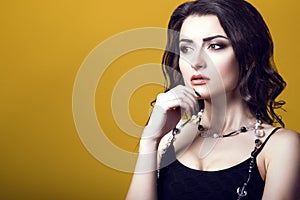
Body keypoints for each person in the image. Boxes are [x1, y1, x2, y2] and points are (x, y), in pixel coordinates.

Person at [126, 0, 300, 199]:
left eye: (215, 46)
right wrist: (148, 142)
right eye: (186, 49)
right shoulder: (168, 139)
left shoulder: (280, 146)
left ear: (248, 55)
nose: (197, 62)